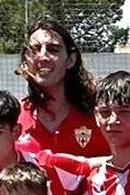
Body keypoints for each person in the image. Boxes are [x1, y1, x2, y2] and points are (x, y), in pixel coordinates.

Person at [14, 20, 109, 158]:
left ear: (70, 60)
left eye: (53, 49)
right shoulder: (13, 116)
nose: (42, 56)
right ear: (25, 62)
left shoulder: (102, 113)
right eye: (34, 50)